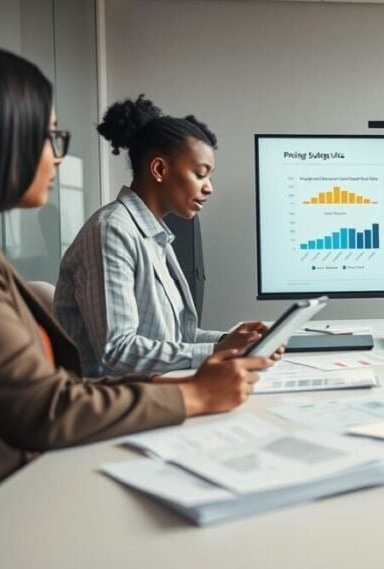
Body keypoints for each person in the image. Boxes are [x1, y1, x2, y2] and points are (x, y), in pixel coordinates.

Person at [0, 41, 270, 488]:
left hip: (45, 457)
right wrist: (194, 392)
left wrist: (222, 347)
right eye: (49, 136)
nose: (57, 155)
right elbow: (57, 398)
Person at [56, 95, 265, 377]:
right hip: (113, 403)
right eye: (200, 174)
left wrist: (229, 341)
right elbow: (116, 351)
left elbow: (177, 338)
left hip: (151, 390)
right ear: (159, 169)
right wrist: (218, 352)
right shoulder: (111, 231)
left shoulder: (153, 235)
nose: (209, 188)